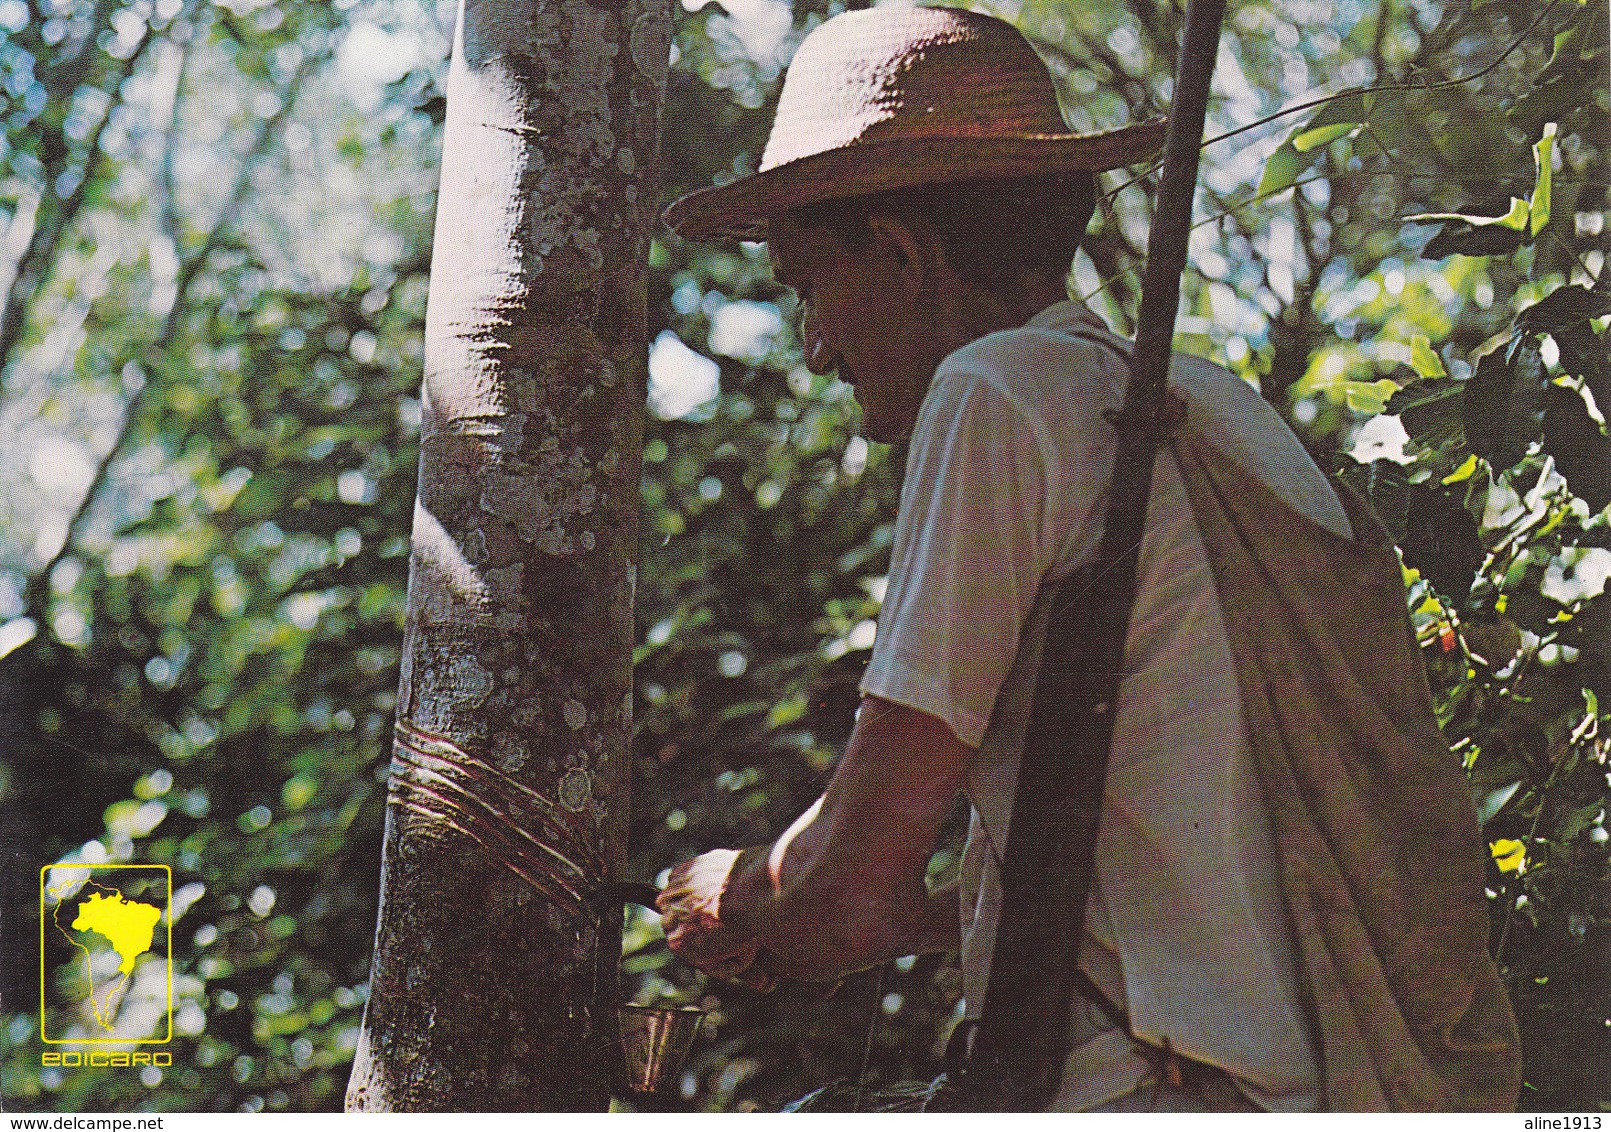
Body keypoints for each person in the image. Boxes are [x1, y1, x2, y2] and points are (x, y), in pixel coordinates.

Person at [655, 4, 1518, 1112]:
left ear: (902, 253)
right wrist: (929, 914)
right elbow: (1182, 860)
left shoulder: (996, 392)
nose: (815, 344)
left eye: (808, 288)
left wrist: (744, 897)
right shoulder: (1212, 403)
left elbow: (840, 896)